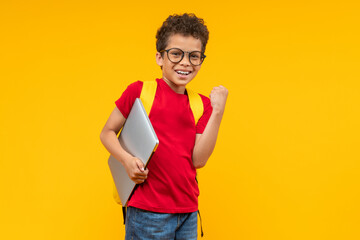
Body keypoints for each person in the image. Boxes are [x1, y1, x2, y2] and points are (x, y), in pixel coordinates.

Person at [100, 13, 228, 240]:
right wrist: (127, 160)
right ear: (160, 57)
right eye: (176, 54)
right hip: (147, 212)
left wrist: (218, 112)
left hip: (188, 211)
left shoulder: (202, 104)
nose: (185, 62)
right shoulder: (139, 92)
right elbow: (107, 133)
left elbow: (198, 160)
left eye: (194, 56)